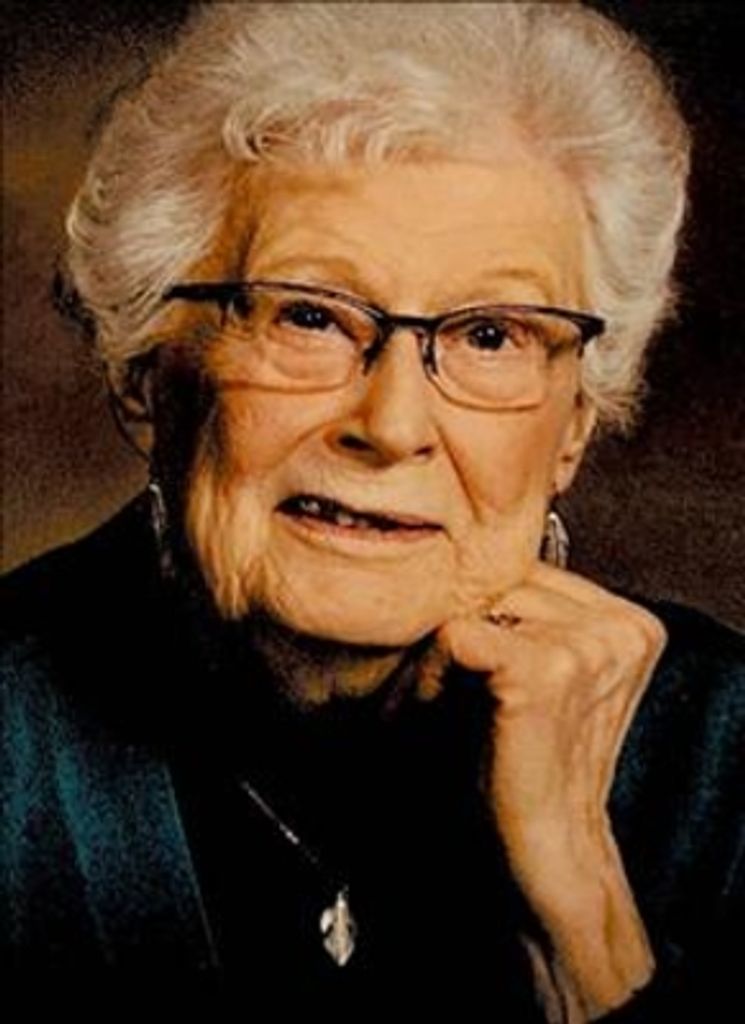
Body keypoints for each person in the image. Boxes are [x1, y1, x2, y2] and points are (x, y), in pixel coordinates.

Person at [1, 3, 742, 1020]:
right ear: (144, 376)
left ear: (572, 424)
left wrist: (580, 921)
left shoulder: (725, 762)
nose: (391, 426)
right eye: (307, 315)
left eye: (491, 335)